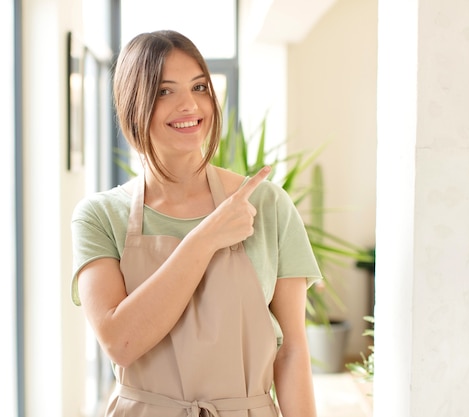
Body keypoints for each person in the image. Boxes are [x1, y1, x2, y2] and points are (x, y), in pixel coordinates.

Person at [71, 30, 322, 417]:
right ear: (132, 105)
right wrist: (205, 238)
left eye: (199, 86)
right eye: (164, 91)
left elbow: (291, 352)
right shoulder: (100, 216)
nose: (189, 105)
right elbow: (120, 342)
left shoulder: (267, 204)